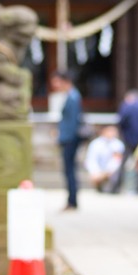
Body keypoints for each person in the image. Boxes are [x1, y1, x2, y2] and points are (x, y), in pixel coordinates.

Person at [51, 70, 84, 211]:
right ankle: (71, 199)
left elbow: (73, 122)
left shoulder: (73, 97)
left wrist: (63, 138)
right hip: (69, 138)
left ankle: (72, 200)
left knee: (70, 170)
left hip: (70, 139)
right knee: (69, 170)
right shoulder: (71, 96)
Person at [116, 89, 138, 193]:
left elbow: (121, 121)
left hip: (129, 138)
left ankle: (116, 186)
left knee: (123, 163)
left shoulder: (128, 106)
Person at [84, 125, 125, 193]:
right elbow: (91, 160)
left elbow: (116, 161)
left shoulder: (118, 144)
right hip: (98, 172)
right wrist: (96, 172)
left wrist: (106, 172)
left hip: (111, 172)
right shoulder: (95, 144)